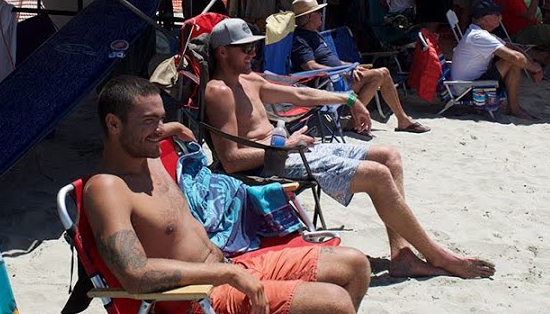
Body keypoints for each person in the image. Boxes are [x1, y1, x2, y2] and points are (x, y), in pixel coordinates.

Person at [85, 75, 370, 314]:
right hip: (197, 303)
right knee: (336, 307)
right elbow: (135, 275)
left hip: (231, 267)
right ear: (113, 124)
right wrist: (225, 273)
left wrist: (171, 128)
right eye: (149, 121)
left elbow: (164, 131)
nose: (159, 130)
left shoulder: (149, 154)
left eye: (162, 119)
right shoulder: (107, 188)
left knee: (355, 265)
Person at [204, 18, 496, 279]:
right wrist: (287, 146)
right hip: (272, 163)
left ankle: (403, 254)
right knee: (378, 175)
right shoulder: (219, 91)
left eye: (254, 48)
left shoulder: (249, 80)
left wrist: (347, 99)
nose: (252, 54)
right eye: (245, 49)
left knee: (389, 156)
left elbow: (299, 93)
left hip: (292, 150)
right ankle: (439, 256)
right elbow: (231, 161)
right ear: (223, 52)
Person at [288, 0, 430, 134]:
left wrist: (351, 66)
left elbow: (331, 60)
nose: (321, 14)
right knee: (379, 74)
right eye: (317, 12)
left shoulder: (314, 34)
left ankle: (398, 120)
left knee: (382, 74)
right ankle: (359, 121)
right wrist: (340, 71)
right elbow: (310, 66)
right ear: (307, 18)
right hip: (327, 82)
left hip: (339, 75)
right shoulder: (301, 39)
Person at [451, 0, 545, 121]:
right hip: (466, 90)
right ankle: (514, 109)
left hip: (469, 84)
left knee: (512, 59)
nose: (501, 17)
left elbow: (511, 47)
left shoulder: (478, 32)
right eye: (496, 14)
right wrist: (536, 68)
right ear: (485, 18)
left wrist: (531, 64)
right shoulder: (479, 36)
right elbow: (515, 57)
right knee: (512, 60)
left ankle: (514, 108)